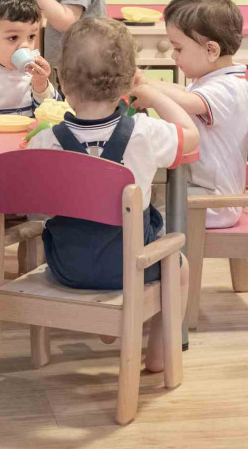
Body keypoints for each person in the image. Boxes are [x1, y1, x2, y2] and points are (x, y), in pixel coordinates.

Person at [26, 18, 197, 372]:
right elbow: (191, 135)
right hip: (128, 268)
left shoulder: (45, 141)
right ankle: (159, 356)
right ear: (127, 82)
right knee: (178, 265)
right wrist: (153, 94)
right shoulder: (145, 133)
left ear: (62, 82)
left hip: (66, 266)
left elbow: (32, 207)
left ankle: (105, 327)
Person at [136, 0, 248, 229]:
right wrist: (144, 82)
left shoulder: (227, 88)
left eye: (179, 49)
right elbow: (184, 94)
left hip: (215, 203)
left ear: (211, 50)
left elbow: (188, 102)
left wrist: (152, 94)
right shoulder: (214, 80)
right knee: (148, 208)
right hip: (203, 192)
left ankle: (170, 266)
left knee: (146, 220)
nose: (173, 56)